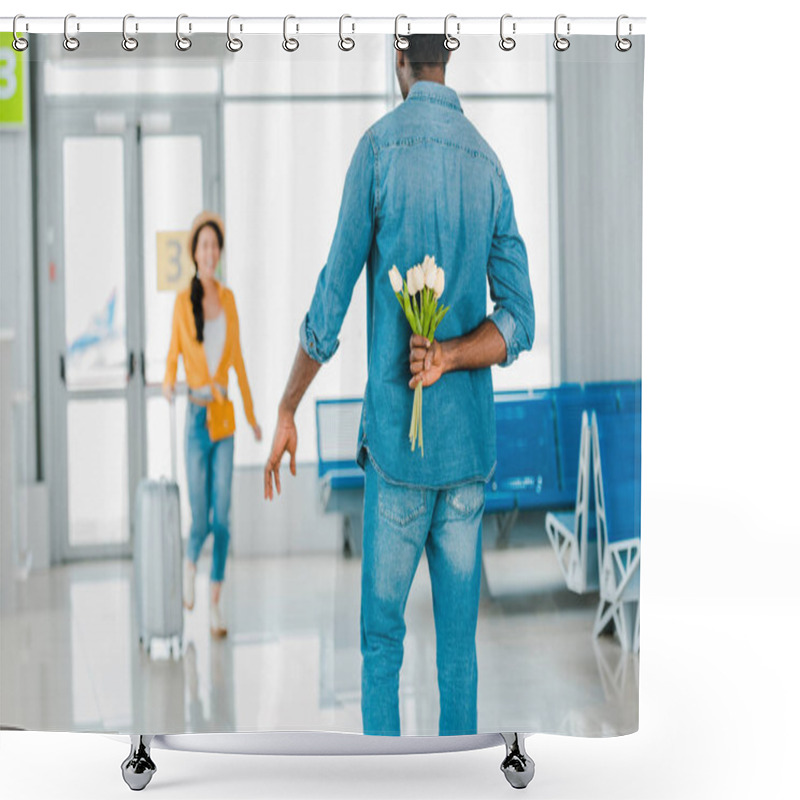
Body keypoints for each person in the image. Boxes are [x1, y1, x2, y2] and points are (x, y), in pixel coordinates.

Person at [263, 36, 534, 735]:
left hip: (398, 457)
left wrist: (289, 404)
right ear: (453, 55)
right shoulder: (488, 165)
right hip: (469, 455)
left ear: (396, 57)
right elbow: (520, 319)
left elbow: (331, 302)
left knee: (381, 645)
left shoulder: (378, 150)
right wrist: (449, 352)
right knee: (458, 654)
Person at [162, 210, 262, 638]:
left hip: (225, 422)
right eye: (202, 245)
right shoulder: (183, 302)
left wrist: (255, 418)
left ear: (219, 253)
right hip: (195, 418)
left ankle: (215, 605)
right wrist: (168, 383)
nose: (209, 252)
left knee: (222, 518)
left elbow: (238, 363)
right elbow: (172, 354)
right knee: (200, 517)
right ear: (194, 252)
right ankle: (189, 567)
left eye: (214, 245)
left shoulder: (230, 299)